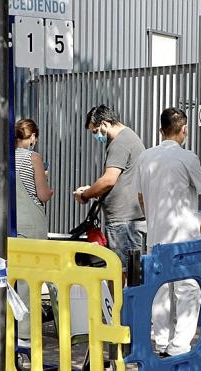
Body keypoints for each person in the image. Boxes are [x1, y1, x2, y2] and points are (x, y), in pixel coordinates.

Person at [133, 107, 201, 357]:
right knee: (187, 291)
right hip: (183, 241)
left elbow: (141, 197)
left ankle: (161, 343)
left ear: (160, 130)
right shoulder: (187, 158)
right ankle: (179, 347)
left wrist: (154, 216)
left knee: (161, 292)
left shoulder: (145, 157)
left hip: (155, 238)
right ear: (184, 130)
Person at [73, 105, 147, 273]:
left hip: (123, 222)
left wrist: (85, 194)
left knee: (121, 272)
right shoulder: (128, 138)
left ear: (105, 124)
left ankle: (121, 301)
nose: (96, 136)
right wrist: (93, 190)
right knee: (132, 272)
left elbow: (109, 180)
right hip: (130, 220)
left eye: (95, 131)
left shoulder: (120, 143)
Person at [14, 118, 53, 348]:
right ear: (32, 137)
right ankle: (26, 333)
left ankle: (5, 325)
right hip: (31, 224)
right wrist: (49, 186)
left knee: (11, 279)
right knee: (31, 281)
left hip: (9, 225)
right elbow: (42, 194)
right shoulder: (33, 158)